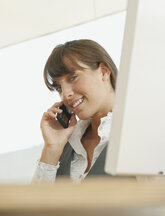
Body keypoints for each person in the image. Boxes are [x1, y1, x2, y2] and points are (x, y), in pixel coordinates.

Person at [32, 39, 133, 183]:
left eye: (73, 78)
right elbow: (35, 205)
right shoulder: (68, 143)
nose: (65, 94)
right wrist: (52, 149)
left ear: (103, 72)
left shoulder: (137, 131)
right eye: (59, 88)